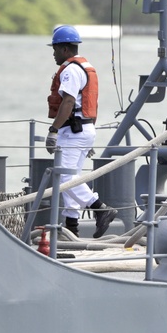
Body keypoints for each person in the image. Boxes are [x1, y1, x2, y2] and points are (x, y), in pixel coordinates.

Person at [44, 25, 117, 239]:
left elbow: (67, 102)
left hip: (73, 130)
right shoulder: (86, 67)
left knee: (64, 178)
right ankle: (71, 227)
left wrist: (53, 130)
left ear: (65, 49)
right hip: (84, 128)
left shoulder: (70, 70)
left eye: (56, 49)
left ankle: (100, 208)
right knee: (71, 177)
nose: (54, 54)